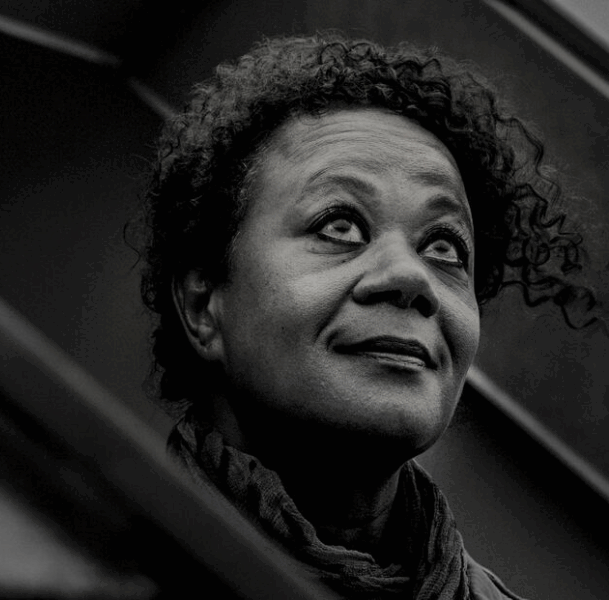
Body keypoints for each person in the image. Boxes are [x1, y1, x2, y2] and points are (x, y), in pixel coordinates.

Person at [138, 34, 597, 599]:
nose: (411, 276)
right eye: (340, 226)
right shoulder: (80, 544)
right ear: (203, 306)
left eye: (444, 247)